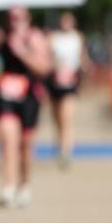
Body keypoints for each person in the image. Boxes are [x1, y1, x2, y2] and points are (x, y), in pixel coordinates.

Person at [0, 6, 51, 208]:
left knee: (25, 144)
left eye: (19, 16)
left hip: (29, 96)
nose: (14, 20)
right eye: (10, 16)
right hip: (6, 94)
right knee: (8, 141)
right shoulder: (2, 37)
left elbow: (44, 69)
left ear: (28, 18)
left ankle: (24, 185)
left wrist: (22, 51)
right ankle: (8, 187)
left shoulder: (35, 38)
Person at [46, 12, 87, 169]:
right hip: (55, 81)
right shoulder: (53, 37)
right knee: (57, 118)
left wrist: (83, 69)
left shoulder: (78, 37)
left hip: (71, 81)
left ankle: (66, 151)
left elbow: (82, 57)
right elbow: (48, 57)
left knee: (66, 117)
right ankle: (60, 144)